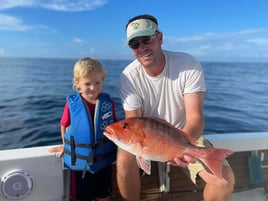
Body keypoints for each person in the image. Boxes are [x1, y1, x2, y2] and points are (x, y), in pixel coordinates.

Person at [117, 14, 235, 201]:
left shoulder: (188, 65)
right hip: (149, 139)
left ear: (160, 38)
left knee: (224, 182)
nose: (142, 48)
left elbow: (195, 118)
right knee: (123, 161)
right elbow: (133, 124)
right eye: (135, 44)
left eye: (147, 40)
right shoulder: (128, 77)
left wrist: (182, 147)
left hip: (187, 134)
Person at [49, 57, 117, 201]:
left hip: (103, 162)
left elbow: (115, 127)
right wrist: (65, 146)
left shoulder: (108, 103)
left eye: (97, 82)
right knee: (82, 196)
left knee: (104, 195)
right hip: (81, 165)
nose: (93, 87)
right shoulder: (72, 104)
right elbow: (64, 126)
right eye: (88, 83)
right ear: (77, 84)